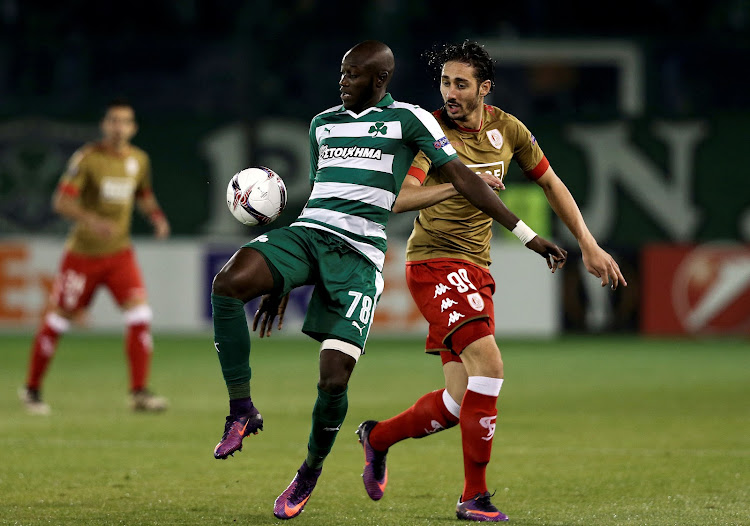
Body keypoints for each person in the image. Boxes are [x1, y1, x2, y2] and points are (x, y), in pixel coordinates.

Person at [209, 40, 566, 521]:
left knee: (334, 380)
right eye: (341, 71)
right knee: (228, 283)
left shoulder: (411, 120)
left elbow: (462, 178)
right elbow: (326, 194)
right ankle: (241, 410)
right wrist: (281, 280)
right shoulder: (322, 124)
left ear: (379, 80)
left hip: (359, 257)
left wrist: (526, 236)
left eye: (352, 73)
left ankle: (310, 471)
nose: (342, 81)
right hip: (311, 234)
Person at [353, 41, 627, 522]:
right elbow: (403, 197)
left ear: (485, 88)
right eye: (445, 82)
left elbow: (550, 181)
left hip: (476, 268)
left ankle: (376, 438)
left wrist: (587, 241)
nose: (450, 93)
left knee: (460, 403)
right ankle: (473, 498)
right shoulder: (433, 131)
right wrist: (464, 179)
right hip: (435, 263)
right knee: (491, 366)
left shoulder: (508, 129)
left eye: (461, 84)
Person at [19, 98, 171, 416]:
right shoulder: (88, 158)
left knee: (140, 315)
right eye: (113, 121)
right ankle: (32, 389)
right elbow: (61, 201)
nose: (119, 127)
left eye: (125, 122)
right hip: (83, 255)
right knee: (58, 317)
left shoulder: (139, 160)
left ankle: (139, 392)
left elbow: (143, 192)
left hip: (119, 254)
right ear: (105, 125)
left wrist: (156, 217)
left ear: (133, 128)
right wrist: (92, 220)